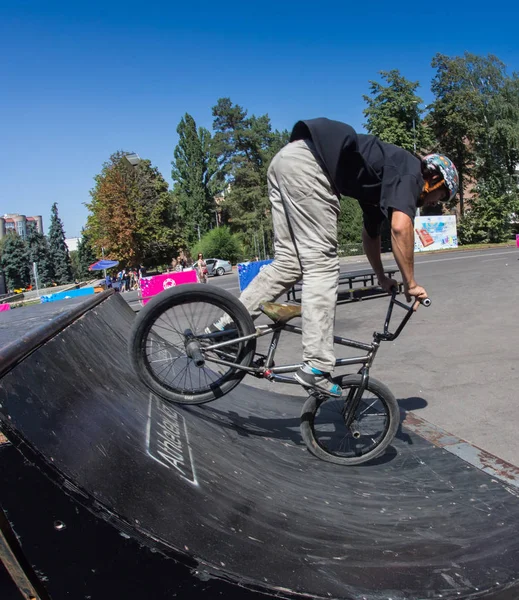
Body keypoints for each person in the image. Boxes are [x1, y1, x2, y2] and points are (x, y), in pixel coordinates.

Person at [209, 118, 459, 397]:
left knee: (289, 263)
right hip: (311, 166)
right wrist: (410, 283)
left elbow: (371, 235)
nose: (437, 202)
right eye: (441, 195)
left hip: (286, 160)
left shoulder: (386, 180)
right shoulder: (411, 174)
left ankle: (225, 329)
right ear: (434, 178)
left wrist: (380, 277)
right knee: (322, 265)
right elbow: (401, 227)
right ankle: (316, 367)